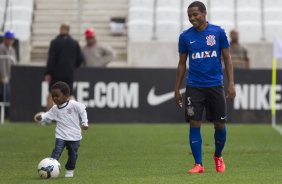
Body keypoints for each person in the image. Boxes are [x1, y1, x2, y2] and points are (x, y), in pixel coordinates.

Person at [174, 1, 236, 174]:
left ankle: (218, 155)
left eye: (195, 14)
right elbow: (181, 64)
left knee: (220, 125)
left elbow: (228, 59)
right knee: (194, 123)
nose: (192, 18)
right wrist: (177, 89)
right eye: (189, 15)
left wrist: (231, 83)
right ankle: (198, 164)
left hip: (215, 85)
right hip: (194, 86)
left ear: (204, 13)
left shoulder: (218, 32)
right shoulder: (185, 37)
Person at [34, 81, 89, 178]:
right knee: (56, 152)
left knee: (73, 155)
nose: (54, 98)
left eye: (57, 96)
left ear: (66, 96)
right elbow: (48, 115)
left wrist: (84, 122)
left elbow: (82, 110)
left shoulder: (73, 104)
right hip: (61, 136)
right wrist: (41, 117)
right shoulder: (55, 109)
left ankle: (70, 170)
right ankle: (50, 169)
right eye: (53, 96)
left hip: (74, 136)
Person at [45, 23, 84, 110]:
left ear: (60, 29)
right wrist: (73, 66)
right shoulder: (74, 43)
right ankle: (74, 116)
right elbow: (81, 58)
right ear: (68, 30)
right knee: (69, 94)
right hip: (69, 73)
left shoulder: (54, 42)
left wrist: (48, 72)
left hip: (56, 73)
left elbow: (51, 59)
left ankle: (47, 118)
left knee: (52, 94)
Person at [0, 31, 17, 118]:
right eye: (9, 39)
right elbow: (2, 64)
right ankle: (5, 114)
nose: (11, 40)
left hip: (10, 77)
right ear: (5, 39)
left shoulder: (12, 49)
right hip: (3, 77)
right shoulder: (1, 48)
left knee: (8, 96)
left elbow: (14, 63)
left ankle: (7, 114)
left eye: (12, 39)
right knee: (4, 96)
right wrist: (3, 76)